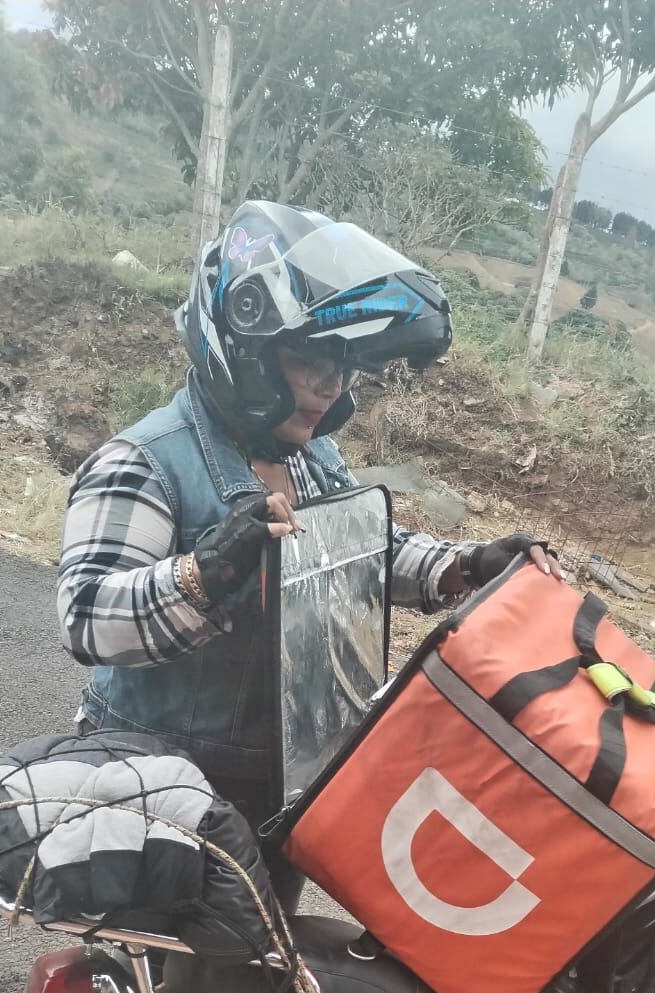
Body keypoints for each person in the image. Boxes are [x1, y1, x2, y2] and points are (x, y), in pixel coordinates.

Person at [57, 200, 559, 909]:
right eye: (312, 359)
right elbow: (88, 617)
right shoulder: (144, 462)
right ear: (243, 347)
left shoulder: (312, 456)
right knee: (173, 990)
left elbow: (363, 553)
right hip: (163, 793)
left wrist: (465, 564)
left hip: (278, 792)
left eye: (346, 365)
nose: (332, 385)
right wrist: (205, 574)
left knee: (257, 987)